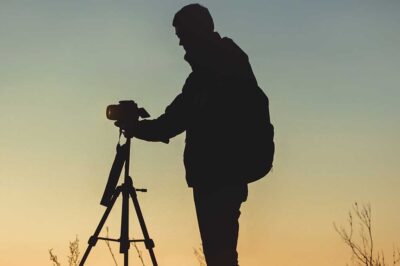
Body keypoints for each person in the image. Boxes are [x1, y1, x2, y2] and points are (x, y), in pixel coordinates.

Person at [118, 4, 274, 266]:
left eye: (182, 36)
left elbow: (175, 121)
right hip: (219, 175)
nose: (181, 44)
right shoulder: (217, 68)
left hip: (220, 175)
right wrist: (141, 129)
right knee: (219, 254)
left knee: (220, 255)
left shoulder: (217, 72)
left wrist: (137, 129)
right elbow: (176, 119)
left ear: (196, 32)